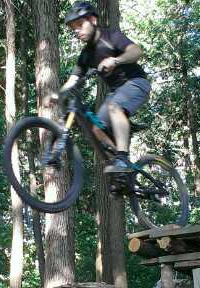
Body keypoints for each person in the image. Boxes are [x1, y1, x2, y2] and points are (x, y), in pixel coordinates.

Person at [54, 1, 152, 175]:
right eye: (73, 28)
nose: (77, 31)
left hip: (136, 83)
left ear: (92, 20)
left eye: (79, 25)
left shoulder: (111, 36)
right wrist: (57, 95)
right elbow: (72, 80)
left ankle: (122, 157)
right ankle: (123, 170)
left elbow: (136, 51)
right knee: (97, 129)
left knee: (115, 107)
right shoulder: (85, 55)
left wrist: (116, 60)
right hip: (116, 92)